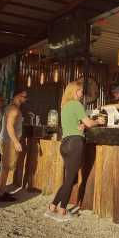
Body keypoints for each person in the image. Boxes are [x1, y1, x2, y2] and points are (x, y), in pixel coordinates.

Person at [45, 80, 104, 221]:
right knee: (70, 180)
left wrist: (82, 126)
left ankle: (52, 207)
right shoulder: (76, 104)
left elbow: (74, 125)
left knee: (68, 180)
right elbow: (89, 123)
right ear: (74, 91)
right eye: (80, 91)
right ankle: (62, 211)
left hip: (65, 143)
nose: (82, 93)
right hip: (75, 143)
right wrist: (98, 122)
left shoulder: (64, 106)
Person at [0, 89, 28, 202]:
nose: (25, 99)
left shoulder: (10, 107)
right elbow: (9, 126)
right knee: (5, 168)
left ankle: (1, 191)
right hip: (9, 141)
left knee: (4, 167)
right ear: (18, 96)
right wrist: (16, 141)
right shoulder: (14, 109)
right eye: (24, 97)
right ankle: (0, 194)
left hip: (5, 139)